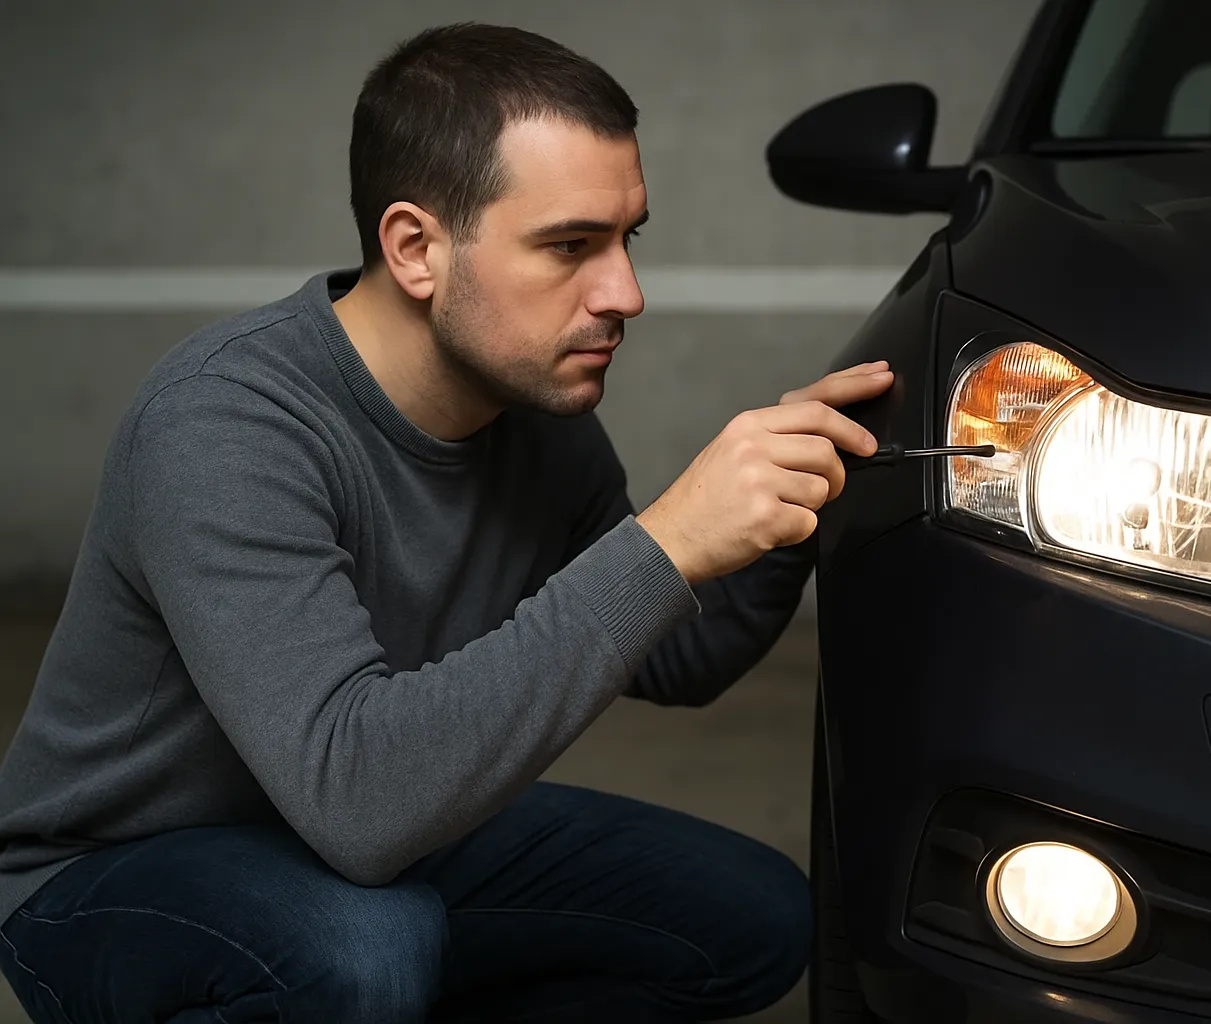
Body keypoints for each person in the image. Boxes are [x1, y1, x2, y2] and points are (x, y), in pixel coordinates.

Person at [0, 22, 894, 1023]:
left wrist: (799, 486)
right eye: (569, 246)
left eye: (627, 239)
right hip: (112, 872)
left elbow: (680, 657)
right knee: (363, 950)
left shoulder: (536, 421)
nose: (626, 294)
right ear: (416, 249)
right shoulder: (223, 423)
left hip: (356, 832)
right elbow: (358, 802)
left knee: (751, 913)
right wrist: (667, 540)